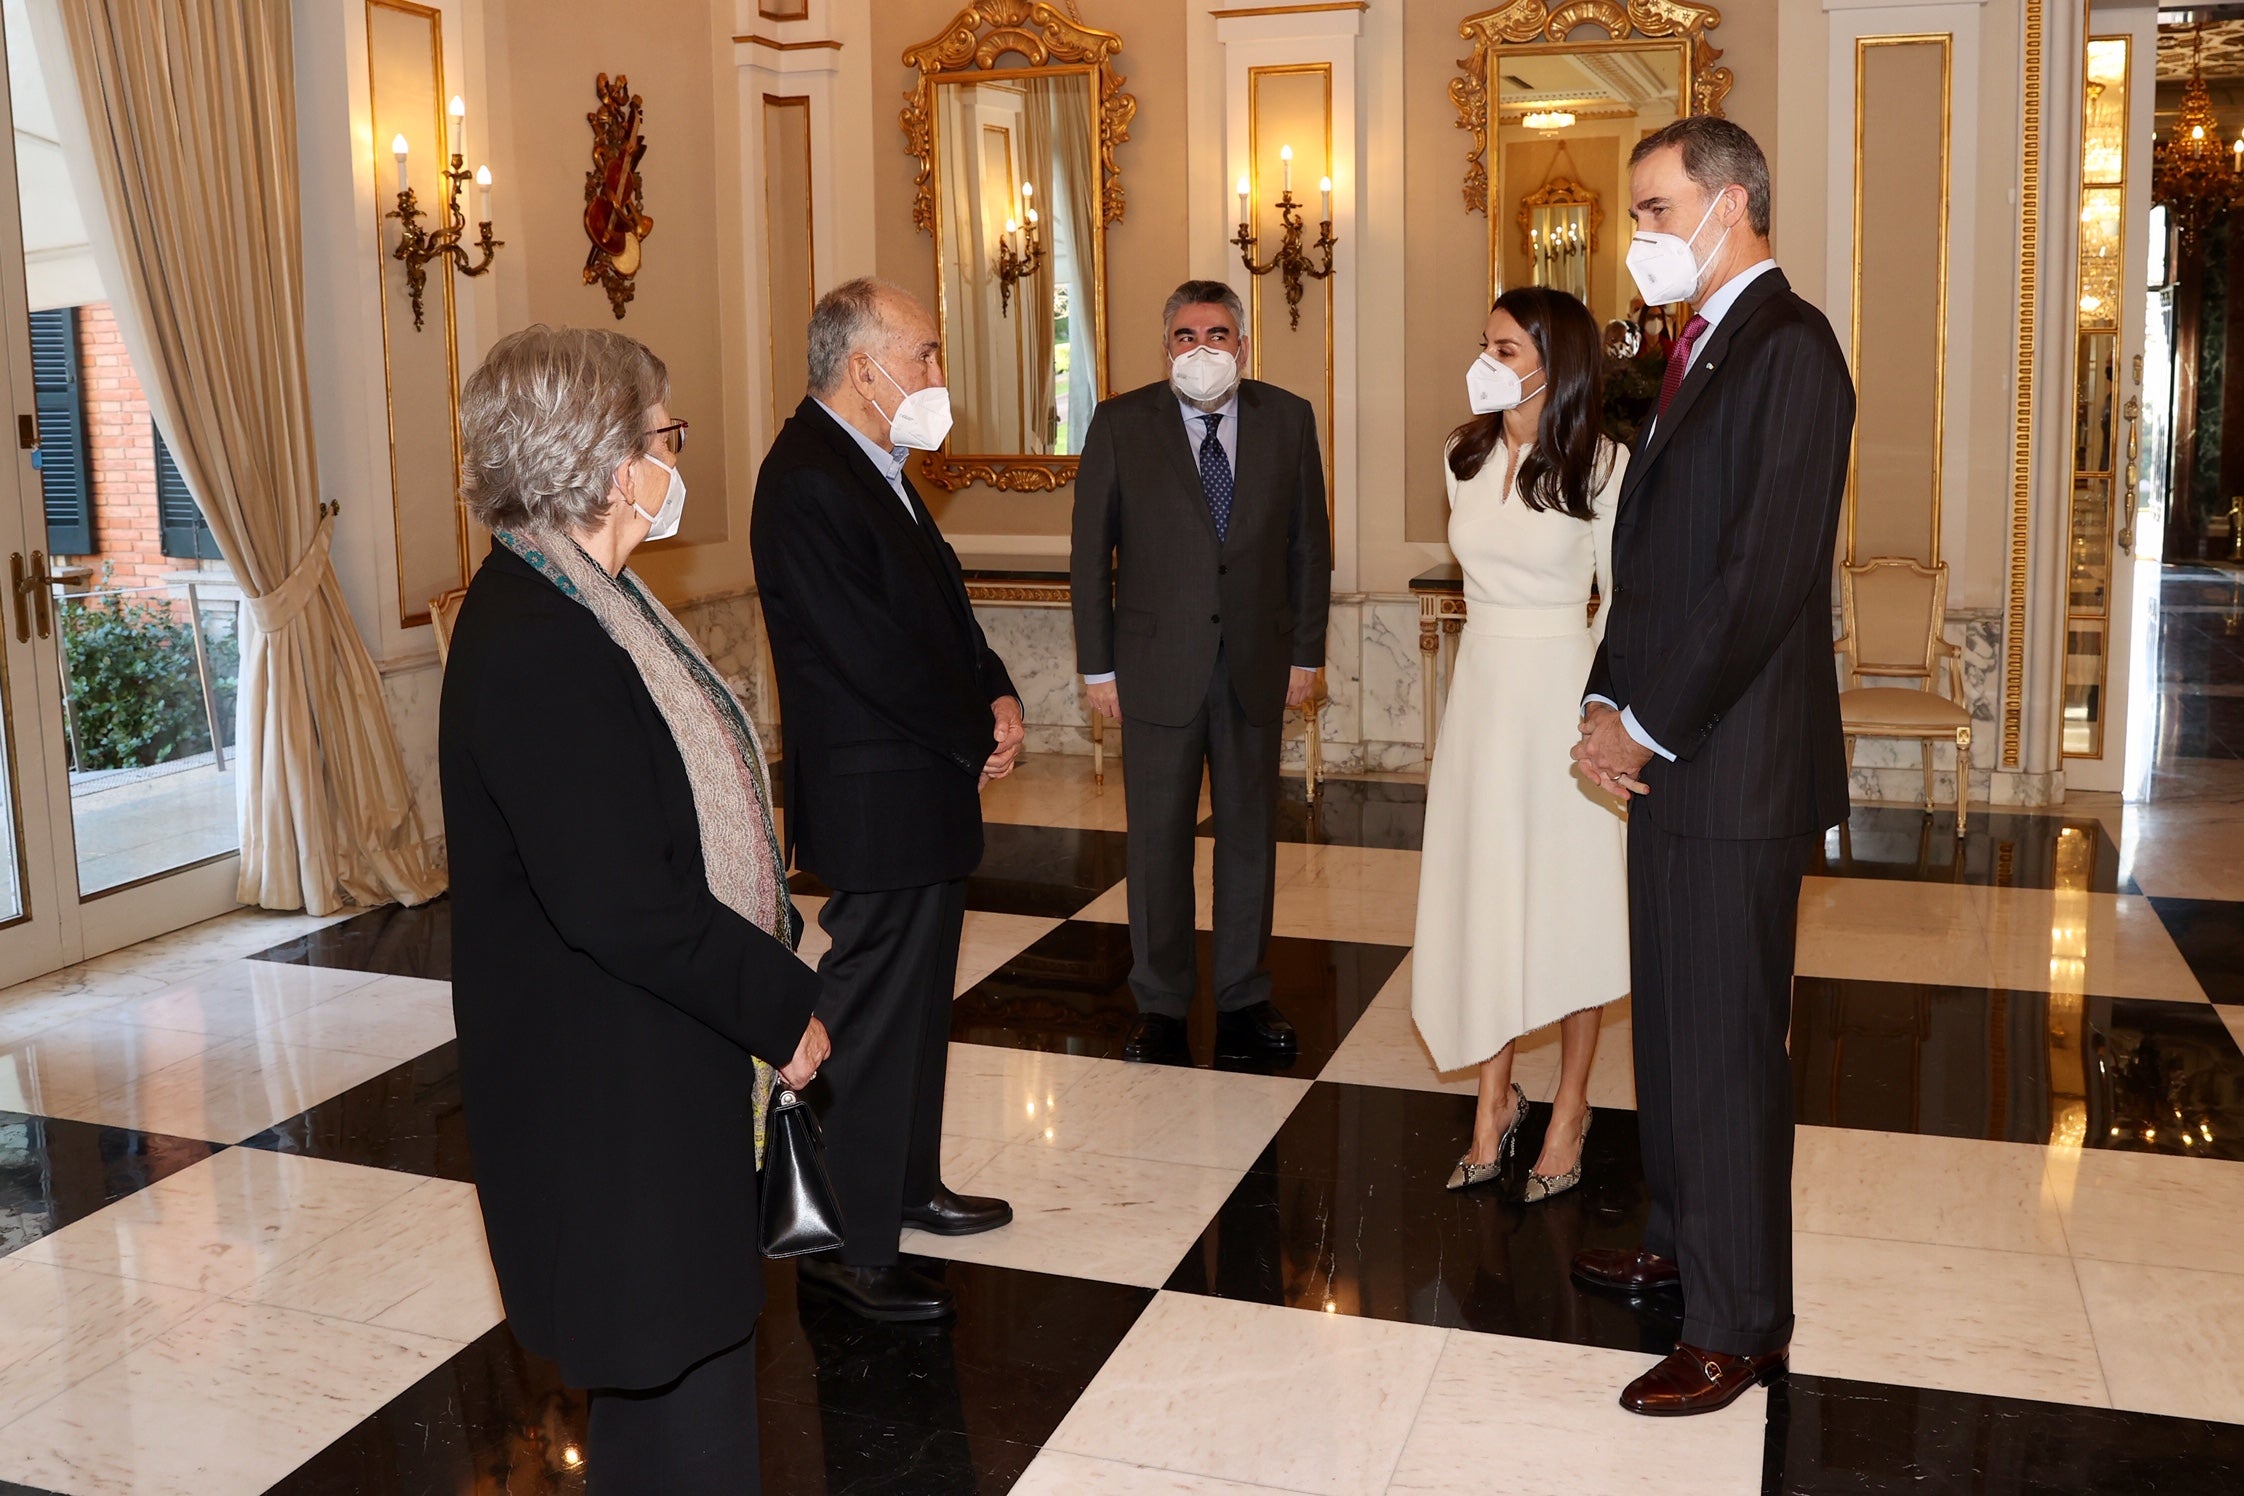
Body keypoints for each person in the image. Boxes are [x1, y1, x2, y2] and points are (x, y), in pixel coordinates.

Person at [442, 324, 831, 1494]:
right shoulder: (537, 640)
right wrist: (784, 1005)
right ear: (613, 465)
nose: (676, 459)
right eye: (666, 435)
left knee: (689, 1380)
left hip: (652, 1063)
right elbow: (623, 902)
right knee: (676, 1391)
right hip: (608, 1091)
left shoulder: (587, 598)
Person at [1570, 117, 1855, 1416]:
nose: (1638, 235)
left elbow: (1758, 583)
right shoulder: (1699, 346)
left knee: (1730, 1046)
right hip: (1671, 752)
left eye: (1652, 207)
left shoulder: (1792, 350)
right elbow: (1655, 554)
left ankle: (1741, 1322)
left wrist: (1648, 720)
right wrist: (1600, 698)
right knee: (1676, 1029)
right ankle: (1683, 1245)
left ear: (1730, 202)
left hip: (1729, 762)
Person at [752, 278, 1023, 1324]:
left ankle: (907, 1184)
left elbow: (940, 607)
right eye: (925, 355)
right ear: (861, 367)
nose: (936, 377)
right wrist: (968, 730)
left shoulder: (878, 464)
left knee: (915, 1005)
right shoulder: (806, 478)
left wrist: (992, 684)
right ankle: (850, 1243)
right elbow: (868, 655)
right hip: (879, 790)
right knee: (866, 1012)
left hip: (921, 785)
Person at [1070, 279, 1332, 1066]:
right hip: (1154, 669)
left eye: (1217, 334)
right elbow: (1091, 557)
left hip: (1256, 664)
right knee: (1156, 845)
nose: (1201, 349)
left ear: (1242, 346)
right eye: (1185, 336)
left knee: (1250, 838)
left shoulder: (1288, 418)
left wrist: (1307, 654)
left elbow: (1308, 546)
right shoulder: (1121, 423)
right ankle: (1160, 1003)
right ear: (1167, 347)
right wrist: (1096, 667)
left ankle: (1245, 997)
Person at [1411, 286, 1628, 1203]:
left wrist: (1605, 717)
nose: (1489, 361)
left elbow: (1619, 598)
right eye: (1486, 344)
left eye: (1506, 347)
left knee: (1571, 906)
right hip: (1482, 696)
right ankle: (1492, 1104)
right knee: (1486, 900)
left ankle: (1571, 1105)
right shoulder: (1460, 455)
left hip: (1562, 693)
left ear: (1553, 358)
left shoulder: (1605, 463)